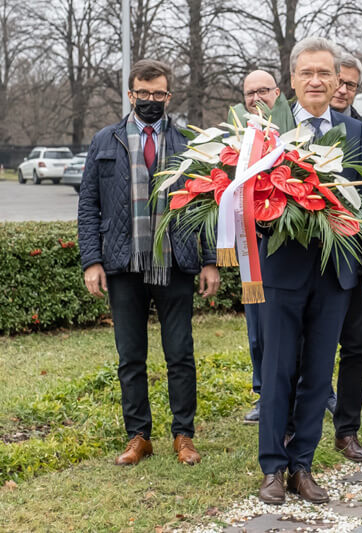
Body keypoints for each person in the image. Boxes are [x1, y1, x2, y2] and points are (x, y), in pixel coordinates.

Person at [255, 37, 362, 506]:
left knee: (317, 373)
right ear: (291, 79)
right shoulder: (267, 129)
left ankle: (302, 466)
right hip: (282, 270)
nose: (316, 81)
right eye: (307, 73)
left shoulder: (354, 132)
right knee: (277, 370)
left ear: (337, 80)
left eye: (325, 73)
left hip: (337, 272)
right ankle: (272, 466)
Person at [78, 59, 219, 466]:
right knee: (131, 356)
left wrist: (209, 260)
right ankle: (138, 436)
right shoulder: (105, 141)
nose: (151, 100)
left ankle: (183, 435)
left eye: (159, 94)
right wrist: (92, 260)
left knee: (180, 354)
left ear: (169, 96)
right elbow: (88, 205)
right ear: (131, 94)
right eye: (144, 93)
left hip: (174, 263)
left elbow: (204, 204)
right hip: (123, 264)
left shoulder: (188, 143)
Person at [325, 52, 362, 463]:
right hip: (310, 260)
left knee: (356, 349)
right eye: (338, 81)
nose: (343, 90)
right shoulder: (298, 129)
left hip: (353, 258)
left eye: (351, 85)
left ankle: (347, 430)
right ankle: (299, 424)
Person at [232, 70, 282, 424]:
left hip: (290, 245)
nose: (257, 98)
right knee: (257, 329)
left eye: (263, 90)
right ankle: (264, 393)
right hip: (253, 245)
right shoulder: (237, 137)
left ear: (277, 92)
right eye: (250, 93)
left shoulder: (292, 133)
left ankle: (317, 390)